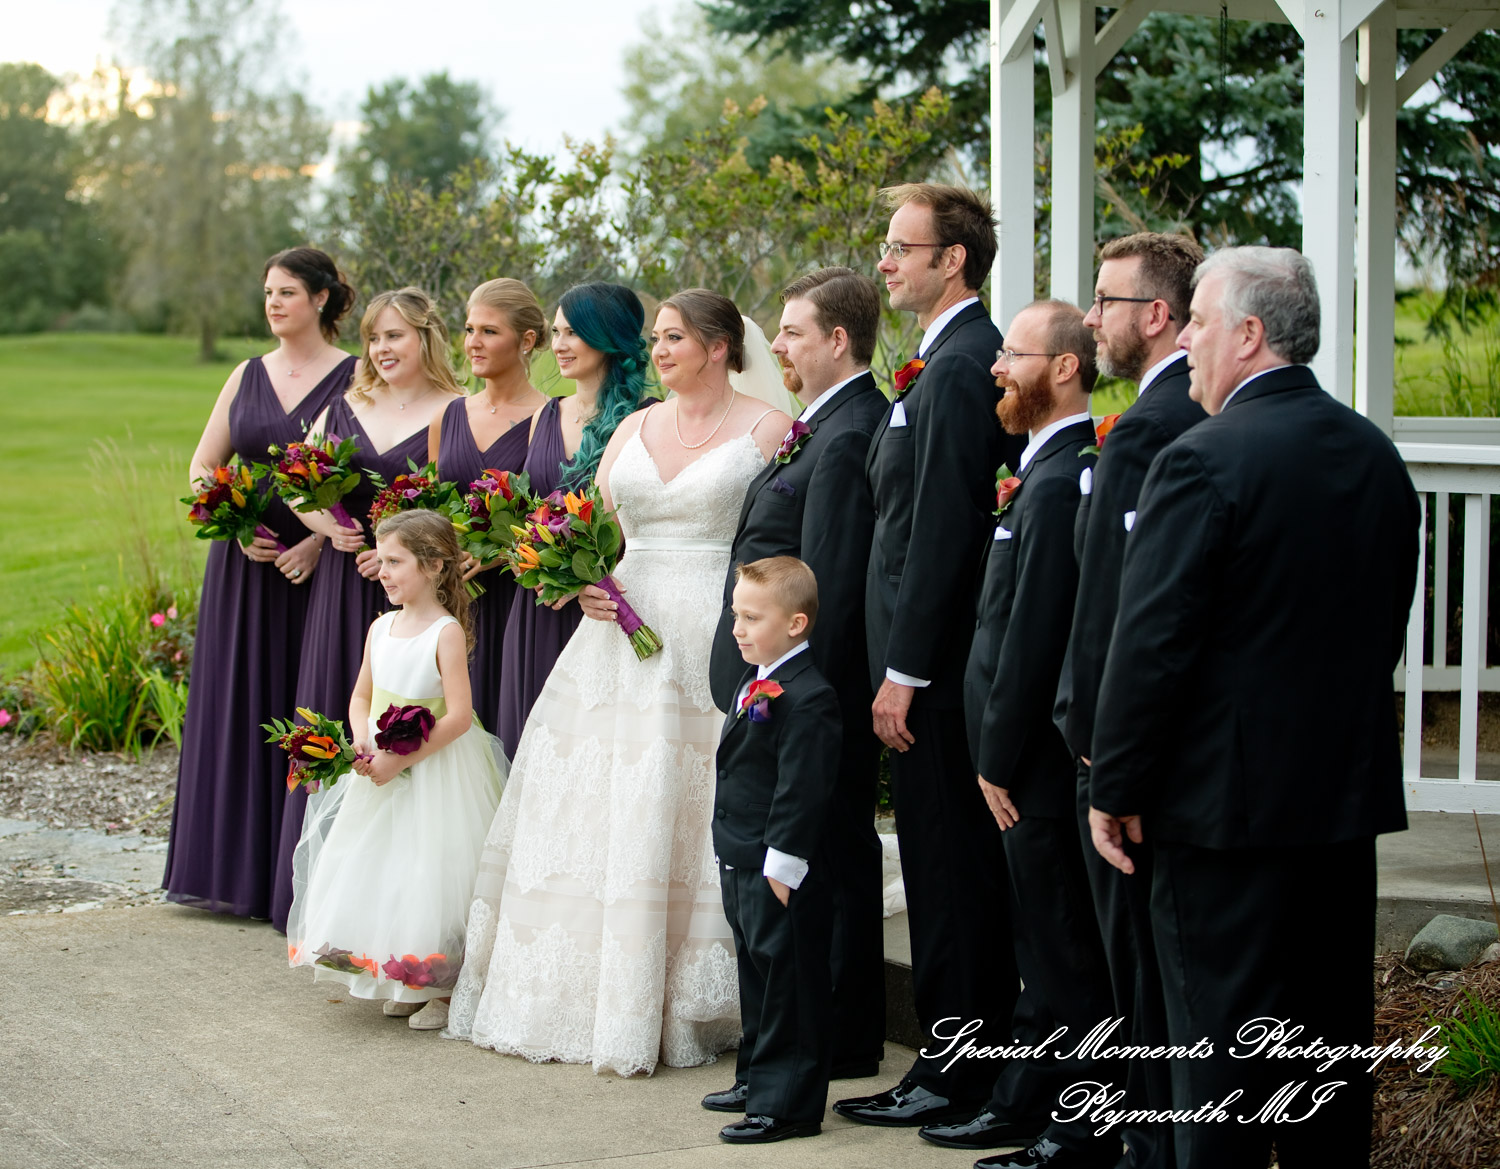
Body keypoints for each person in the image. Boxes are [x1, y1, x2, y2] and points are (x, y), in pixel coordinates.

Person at [1089, 247, 1420, 1168]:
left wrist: (1113, 783)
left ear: (1249, 334)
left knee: (1218, 1067)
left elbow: (1152, 644)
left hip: (1217, 818)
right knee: (1324, 1063)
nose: (1184, 336)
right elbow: (1380, 629)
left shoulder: (1201, 459)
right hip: (1339, 810)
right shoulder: (1375, 455)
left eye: (1197, 318)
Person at [446, 289, 793, 1076]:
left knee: (685, 800)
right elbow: (587, 526)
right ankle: (574, 992)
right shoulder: (634, 428)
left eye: (674, 337)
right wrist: (581, 581)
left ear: (717, 346)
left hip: (713, 630)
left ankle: (682, 998)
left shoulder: (770, 430)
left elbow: (785, 546)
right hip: (615, 635)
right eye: (658, 336)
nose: (659, 348)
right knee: (596, 803)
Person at [837, 183, 1025, 1128]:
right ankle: (962, 1065)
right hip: (925, 670)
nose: (885, 260)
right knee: (946, 874)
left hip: (941, 680)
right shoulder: (937, 359)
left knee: (952, 882)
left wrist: (904, 671)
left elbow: (947, 529)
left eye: (901, 246)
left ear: (953, 258)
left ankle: (957, 1072)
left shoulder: (957, 369)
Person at [932, 301, 1117, 1169]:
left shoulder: (1058, 481)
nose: (997, 366)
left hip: (1033, 769)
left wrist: (997, 757)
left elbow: (1036, 636)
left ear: (1068, 368)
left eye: (1014, 353)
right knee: (1041, 952)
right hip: (1014, 767)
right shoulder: (1037, 468)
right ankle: (1035, 1108)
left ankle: (1080, 1131)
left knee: (1063, 958)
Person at [707, 267, 889, 1079]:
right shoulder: (820, 424)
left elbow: (830, 579)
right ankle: (806, 1041)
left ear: (836, 340)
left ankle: (839, 1040)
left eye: (791, 331)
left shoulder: (849, 434)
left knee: (830, 864)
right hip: (775, 679)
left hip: (811, 690)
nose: (774, 344)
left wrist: (791, 688)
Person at [1061, 232, 1205, 1169]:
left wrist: (1097, 746)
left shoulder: (1155, 431)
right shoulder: (1170, 417)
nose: (1090, 319)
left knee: (1145, 978)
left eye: (1106, 302)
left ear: (1157, 316)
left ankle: (1150, 1148)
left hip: (1129, 754)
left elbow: (1120, 611)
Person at [164, 247, 357, 919]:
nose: (273, 303)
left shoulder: (355, 378)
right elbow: (201, 464)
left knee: (305, 705)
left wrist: (316, 539)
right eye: (268, 291)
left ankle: (295, 878)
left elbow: (364, 479)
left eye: (288, 292)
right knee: (241, 703)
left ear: (324, 300)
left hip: (321, 569)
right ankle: (233, 872)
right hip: (245, 568)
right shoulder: (246, 374)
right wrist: (236, 524)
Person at [270, 287, 465, 931]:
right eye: (375, 338)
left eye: (396, 337)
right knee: (345, 709)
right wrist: (331, 529)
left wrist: (399, 554)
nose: (382, 349)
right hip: (345, 588)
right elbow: (294, 485)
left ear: (425, 340)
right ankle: (329, 901)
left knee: (408, 720)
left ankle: (398, 909)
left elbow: (445, 510)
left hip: (415, 593)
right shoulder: (345, 405)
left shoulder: (451, 412)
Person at [287, 510, 506, 1032]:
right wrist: (362, 735)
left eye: (395, 562)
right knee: (389, 867)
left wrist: (401, 757)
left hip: (434, 768)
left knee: (433, 868)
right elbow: (361, 694)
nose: (382, 571)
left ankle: (443, 987)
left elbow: (456, 715)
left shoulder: (444, 632)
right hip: (381, 762)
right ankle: (407, 975)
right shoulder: (381, 627)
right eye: (381, 561)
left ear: (432, 566)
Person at [705, 556, 842, 1145]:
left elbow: (801, 791)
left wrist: (781, 869)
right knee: (756, 975)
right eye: (736, 615)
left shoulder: (809, 698)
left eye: (752, 618)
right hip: (741, 855)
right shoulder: (753, 677)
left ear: (796, 624)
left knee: (788, 983)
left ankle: (787, 1104)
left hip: (778, 866)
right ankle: (756, 1076)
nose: (737, 628)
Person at [495, 282, 649, 759]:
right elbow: (527, 511)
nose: (558, 344)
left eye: (573, 332)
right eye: (555, 331)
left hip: (604, 604)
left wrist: (584, 577)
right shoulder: (545, 417)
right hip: (539, 605)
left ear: (608, 337)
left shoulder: (648, 418)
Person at [430, 278, 547, 739]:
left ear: (528, 340)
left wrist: (504, 552)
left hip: (520, 593)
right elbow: (432, 502)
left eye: (489, 331)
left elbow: (553, 510)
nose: (472, 343)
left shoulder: (550, 417)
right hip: (453, 593)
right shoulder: (449, 415)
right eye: (468, 329)